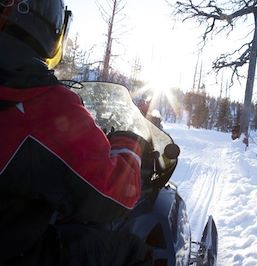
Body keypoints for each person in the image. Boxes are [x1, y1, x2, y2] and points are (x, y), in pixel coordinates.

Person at [0, 1, 150, 265]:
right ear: (50, 25)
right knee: (131, 251)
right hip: (16, 253)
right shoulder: (40, 101)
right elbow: (114, 195)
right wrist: (130, 142)